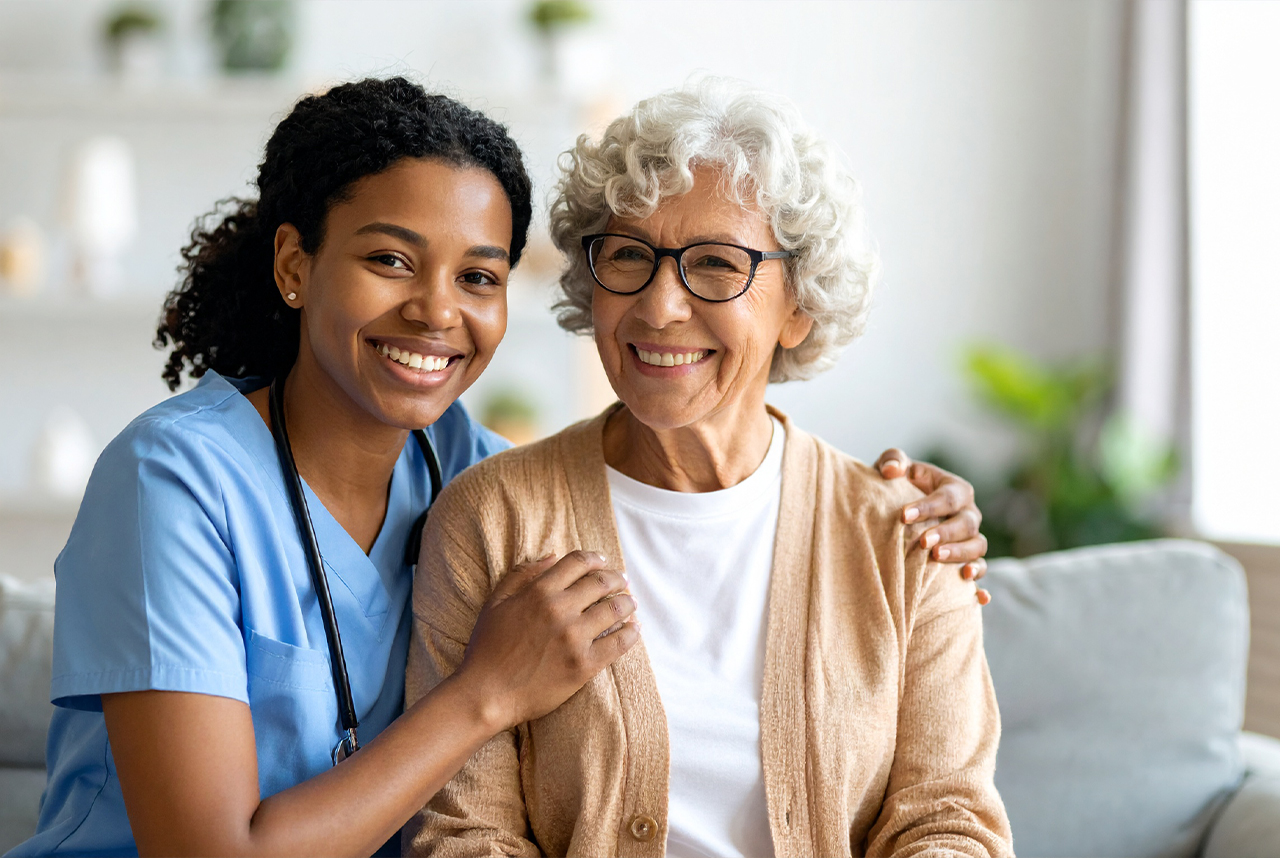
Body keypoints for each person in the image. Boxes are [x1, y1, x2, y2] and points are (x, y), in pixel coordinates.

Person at [9, 78, 988, 858]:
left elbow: (947, 818)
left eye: (477, 276)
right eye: (389, 260)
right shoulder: (174, 481)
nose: (438, 312)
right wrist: (484, 692)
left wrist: (899, 507)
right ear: (295, 265)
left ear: (798, 305)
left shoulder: (464, 470)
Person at [405, 80, 1012, 857]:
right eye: (628, 255)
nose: (659, 307)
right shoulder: (492, 520)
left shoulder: (908, 535)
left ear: (799, 305)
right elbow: (465, 835)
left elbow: (950, 819)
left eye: (718, 266)